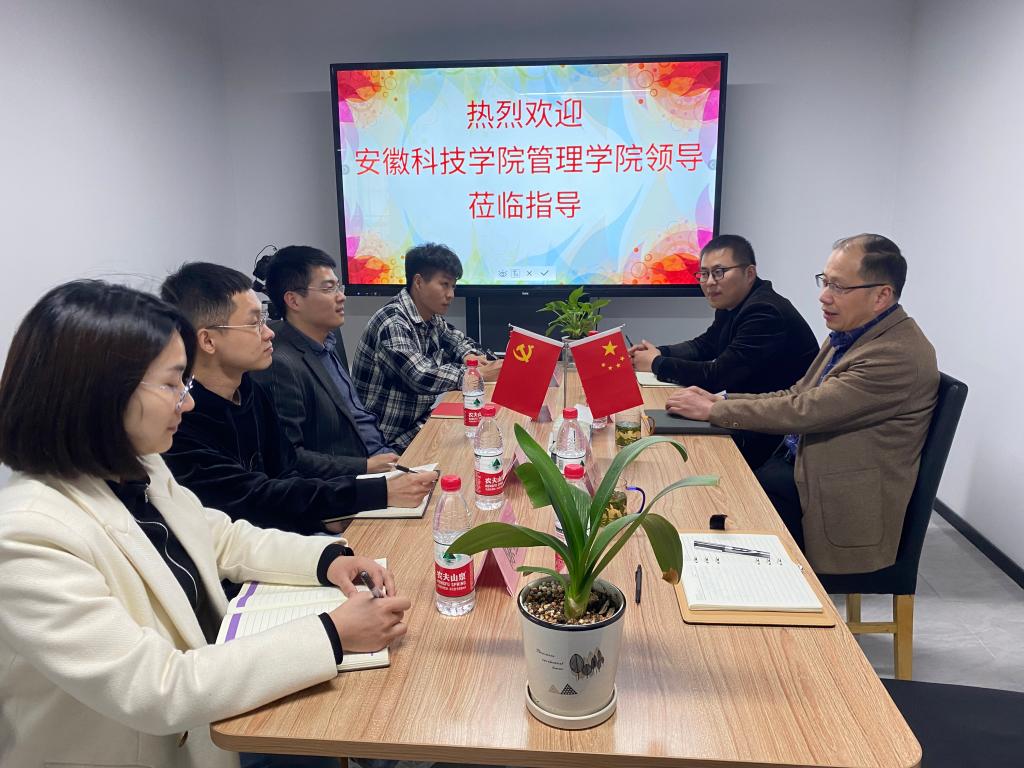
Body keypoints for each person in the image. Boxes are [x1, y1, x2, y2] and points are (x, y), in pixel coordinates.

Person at [0, 281, 410, 768]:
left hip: (217, 706)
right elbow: (156, 688)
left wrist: (326, 559)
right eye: (172, 384)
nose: (188, 402)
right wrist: (332, 634)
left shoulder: (137, 465)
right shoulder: (26, 536)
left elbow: (218, 536)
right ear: (99, 394)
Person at [665, 234, 938, 575]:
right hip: (797, 468)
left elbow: (806, 411)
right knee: (702, 498)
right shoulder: (853, 333)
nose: (824, 296)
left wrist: (715, 410)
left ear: (881, 295)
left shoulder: (895, 355)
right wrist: (721, 400)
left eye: (839, 287)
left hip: (831, 498)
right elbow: (798, 394)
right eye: (825, 281)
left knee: (713, 522)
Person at [160, 263, 435, 535]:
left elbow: (287, 471)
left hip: (288, 530)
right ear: (208, 341)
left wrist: (326, 516)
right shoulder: (180, 422)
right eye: (254, 323)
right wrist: (372, 492)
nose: (269, 332)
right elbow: (252, 498)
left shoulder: (248, 389)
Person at [630, 234, 818, 467]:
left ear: (749, 273)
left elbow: (718, 376)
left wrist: (656, 363)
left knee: (673, 456)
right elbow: (704, 345)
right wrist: (659, 352)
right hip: (745, 412)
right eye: (704, 274)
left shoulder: (764, 311)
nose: (709, 282)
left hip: (774, 433)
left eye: (719, 272)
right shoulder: (735, 302)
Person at [251, 245, 398, 476]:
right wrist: (366, 467)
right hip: (354, 479)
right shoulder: (280, 364)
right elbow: (289, 458)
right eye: (329, 289)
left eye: (339, 286)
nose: (341, 296)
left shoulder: (325, 340)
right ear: (293, 300)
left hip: (383, 458)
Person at [352, 243, 501, 450]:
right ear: (419, 282)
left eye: (453, 286)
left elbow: (456, 340)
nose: (451, 294)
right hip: (384, 442)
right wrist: (474, 375)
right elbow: (420, 376)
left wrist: (469, 356)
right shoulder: (392, 322)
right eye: (444, 284)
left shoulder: (430, 317)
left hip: (415, 426)